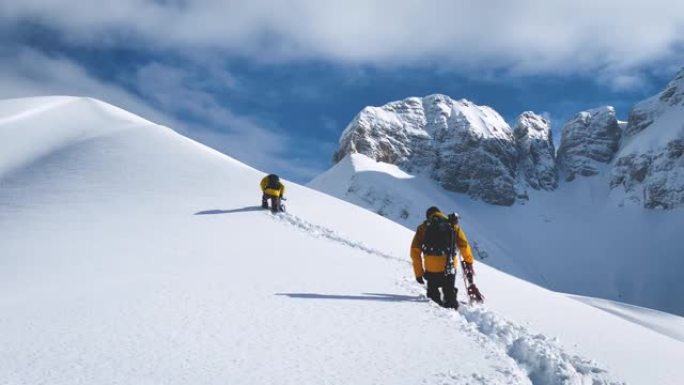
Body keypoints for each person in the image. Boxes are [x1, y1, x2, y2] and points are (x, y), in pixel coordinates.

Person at [410, 206, 475, 309]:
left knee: (433, 299)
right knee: (449, 294)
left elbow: (415, 251)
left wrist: (419, 273)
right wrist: (469, 261)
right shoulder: (452, 225)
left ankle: (438, 317)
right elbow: (464, 245)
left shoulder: (423, 227)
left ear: (428, 216)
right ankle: (452, 312)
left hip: (431, 269)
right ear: (440, 213)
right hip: (449, 267)